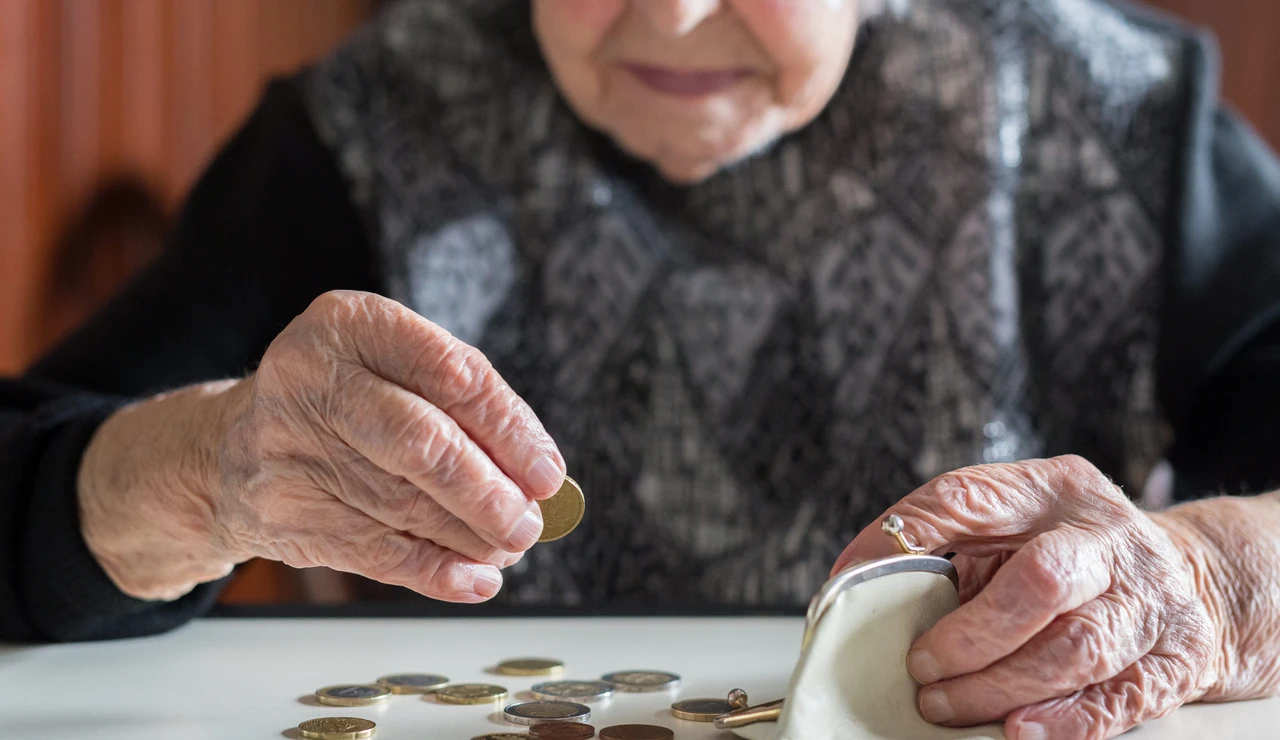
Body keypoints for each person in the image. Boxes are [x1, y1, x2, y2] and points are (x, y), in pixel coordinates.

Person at [2, 0, 1279, 737]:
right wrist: (200, 471)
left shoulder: (1118, 120)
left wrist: (1214, 577)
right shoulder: (363, 129)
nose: (666, 12)